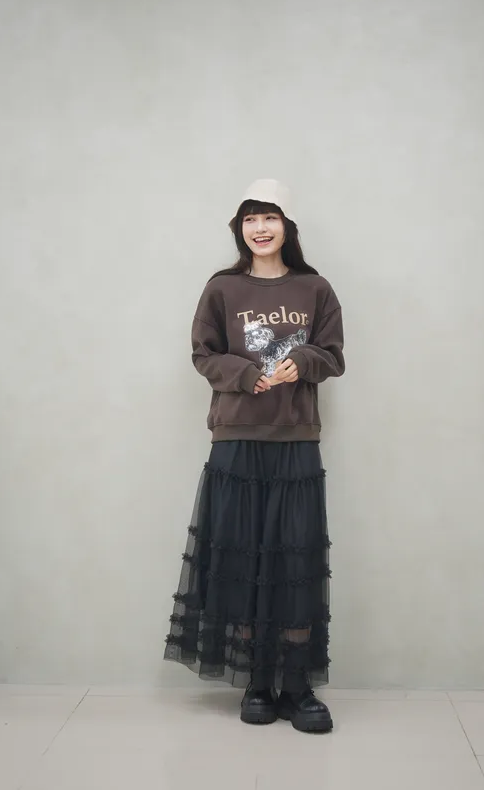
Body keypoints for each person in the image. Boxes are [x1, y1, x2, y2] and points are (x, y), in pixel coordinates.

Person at [164, 179, 345, 733]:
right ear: (239, 229)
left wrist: (304, 361)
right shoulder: (222, 289)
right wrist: (245, 374)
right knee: (242, 559)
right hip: (236, 438)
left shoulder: (315, 288)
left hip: (294, 438)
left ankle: (297, 685)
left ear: (288, 226)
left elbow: (333, 356)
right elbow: (203, 354)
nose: (260, 228)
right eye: (250, 219)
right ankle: (257, 682)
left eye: (270, 217)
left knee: (295, 562)